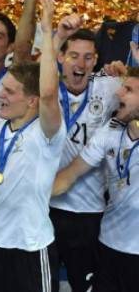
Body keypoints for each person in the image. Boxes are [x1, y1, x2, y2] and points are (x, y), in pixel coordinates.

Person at [0, 0, 66, 292]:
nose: (0, 95)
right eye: (3, 88)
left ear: (32, 101)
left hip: (29, 247)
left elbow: (49, 91)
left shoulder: (47, 132)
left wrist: (49, 32)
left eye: (10, 92)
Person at [49, 19, 121, 292]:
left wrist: (126, 72)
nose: (80, 64)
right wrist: (55, 36)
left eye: (88, 57)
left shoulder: (108, 86)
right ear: (60, 57)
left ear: (95, 62)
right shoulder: (47, 86)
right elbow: (25, 74)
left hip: (89, 213)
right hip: (47, 208)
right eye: (73, 56)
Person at [53, 67, 139, 292]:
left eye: (128, 90)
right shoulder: (110, 132)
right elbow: (69, 175)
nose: (118, 94)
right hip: (109, 245)